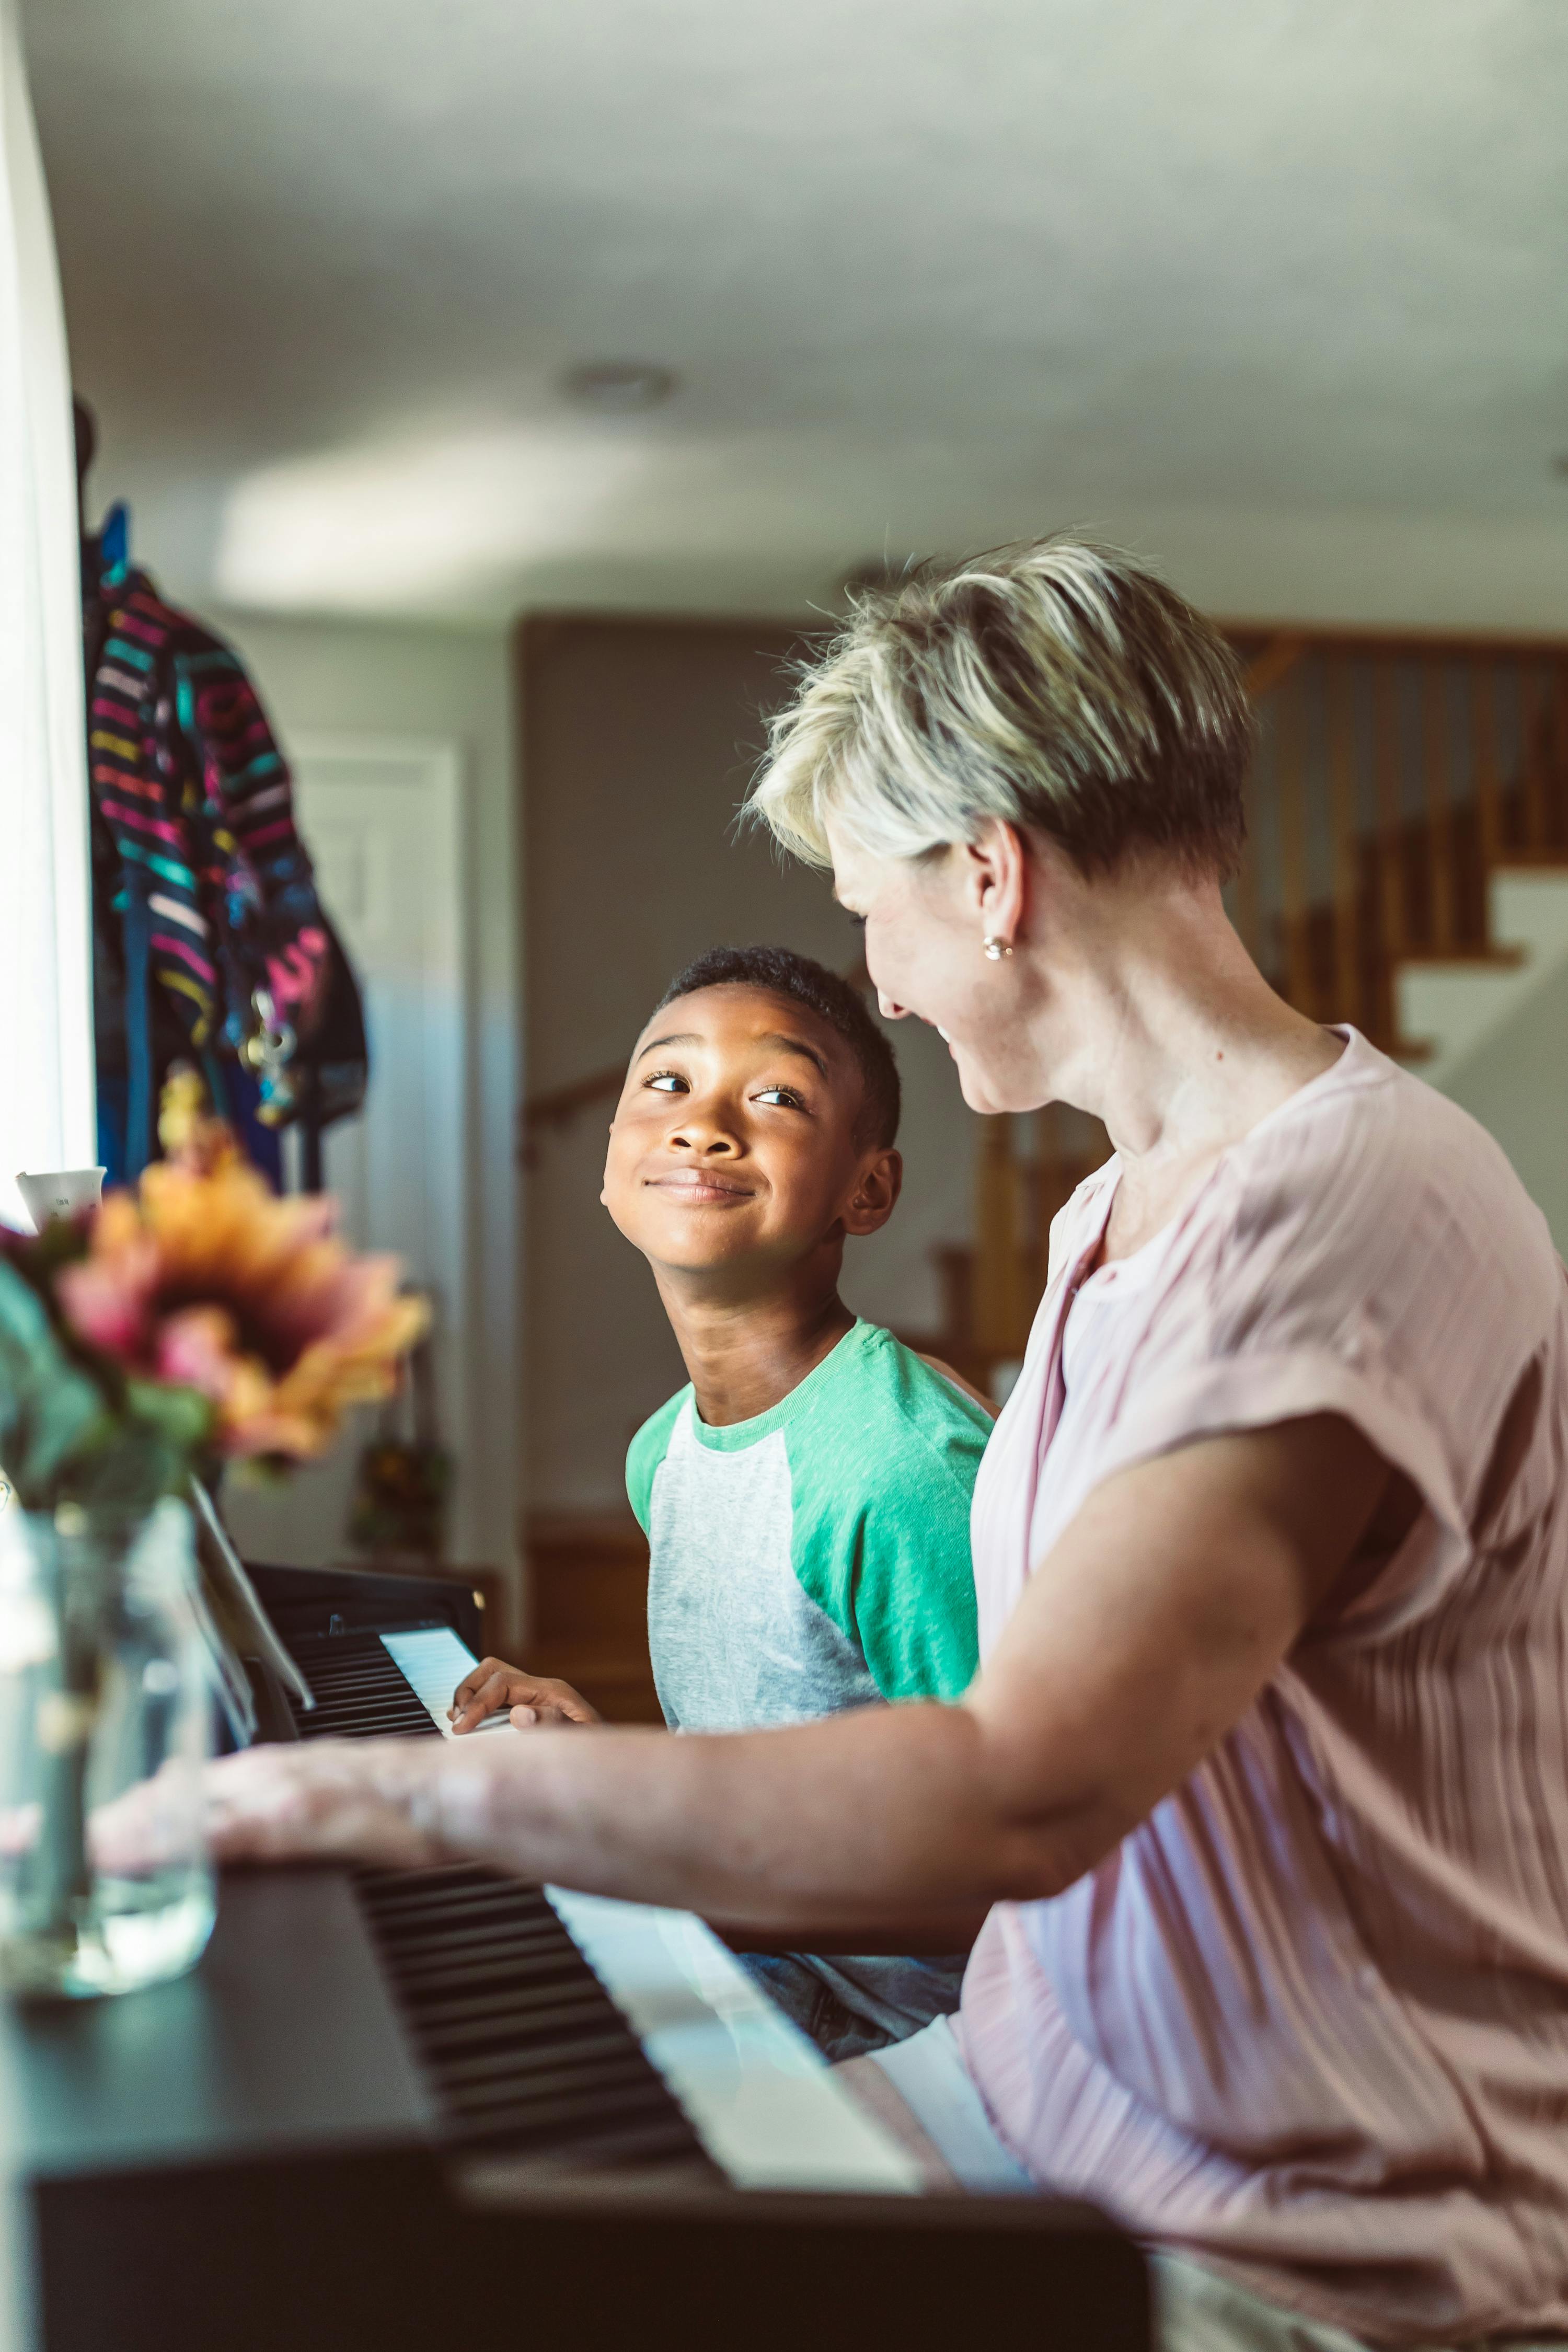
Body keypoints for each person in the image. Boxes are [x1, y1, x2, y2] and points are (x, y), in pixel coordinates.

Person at [172, 539, 1568, 2350]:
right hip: (1044, 2088)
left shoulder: (1341, 1208)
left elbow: (1022, 1788)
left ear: (989, 876)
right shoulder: (1109, 1218)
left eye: (870, 912)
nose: (880, 984)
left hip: (1311, 2242)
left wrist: (406, 1795)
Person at [447, 943, 992, 2059]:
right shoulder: (666, 1457)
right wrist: (622, 1769)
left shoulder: (897, 1471)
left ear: (868, 1188)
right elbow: (781, 1759)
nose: (705, 1127)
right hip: (767, 1970)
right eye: (667, 1084)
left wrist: (644, 1842)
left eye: (778, 1097)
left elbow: (1030, 1856)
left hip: (932, 2040)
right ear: (611, 1163)